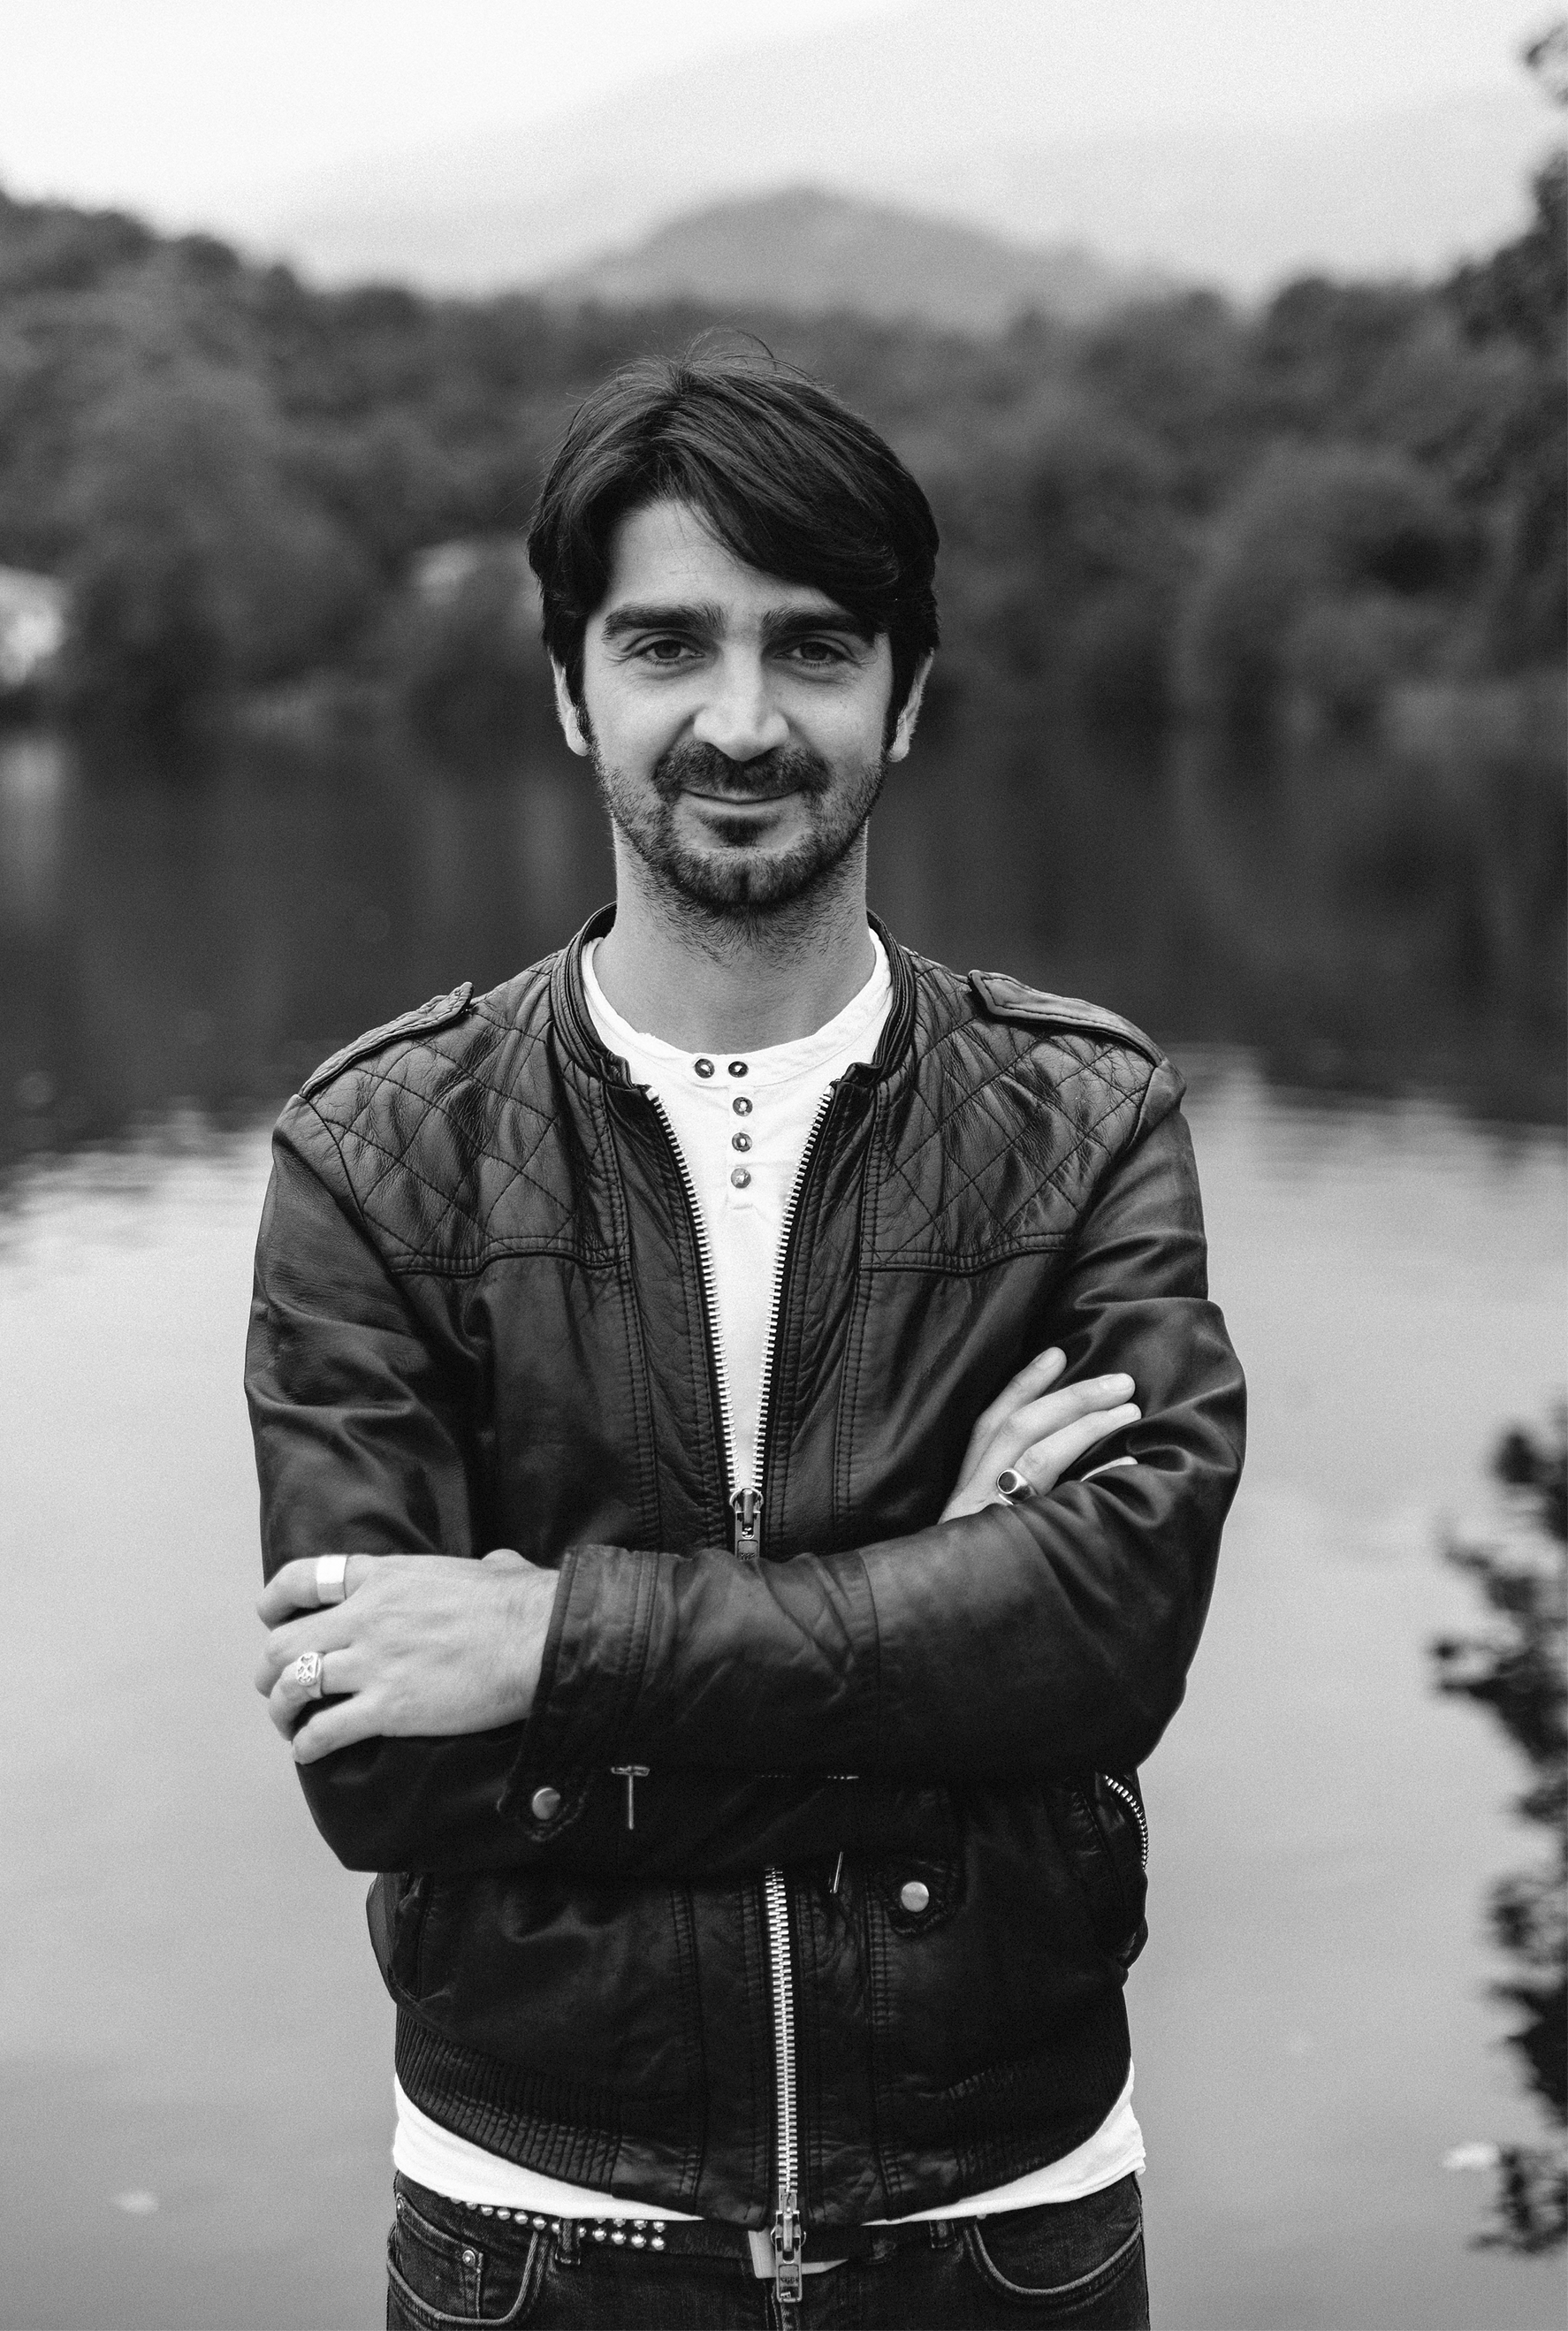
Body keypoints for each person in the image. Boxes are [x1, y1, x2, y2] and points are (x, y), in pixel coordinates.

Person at [247, 354, 1245, 2329]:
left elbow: (1110, 1645)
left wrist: (554, 1644)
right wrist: (941, 1616)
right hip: (537, 2232)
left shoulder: (1086, 1116)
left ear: (907, 694)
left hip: (1006, 2222)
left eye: (814, 645)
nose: (741, 718)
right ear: (570, 688)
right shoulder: (374, 1152)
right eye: (666, 642)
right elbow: (387, 1774)